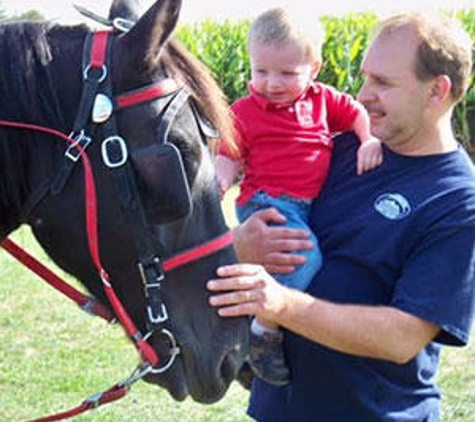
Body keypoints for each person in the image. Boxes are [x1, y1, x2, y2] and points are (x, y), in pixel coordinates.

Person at [208, 12, 475, 422]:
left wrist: (280, 304)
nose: (363, 94)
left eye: (383, 83)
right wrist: (236, 244)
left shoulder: (457, 201)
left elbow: (403, 337)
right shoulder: (339, 149)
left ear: (437, 91)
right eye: (366, 76)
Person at [215, 6, 382, 386]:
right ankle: (261, 330)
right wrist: (219, 185)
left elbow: (357, 113)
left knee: (285, 263)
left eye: (287, 73)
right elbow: (229, 155)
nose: (272, 83)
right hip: (266, 203)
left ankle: (247, 322)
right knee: (305, 258)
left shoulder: (322, 101)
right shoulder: (244, 111)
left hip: (305, 207)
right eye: (261, 71)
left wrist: (368, 138)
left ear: (314, 69)